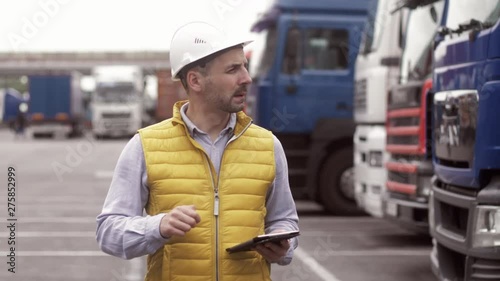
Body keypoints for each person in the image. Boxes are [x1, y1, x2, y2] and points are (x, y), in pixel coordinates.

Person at [96, 21, 299, 281]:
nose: (246, 78)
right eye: (233, 69)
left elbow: (286, 221)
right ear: (195, 80)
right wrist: (157, 227)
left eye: (244, 67)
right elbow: (109, 232)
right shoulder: (145, 146)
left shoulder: (268, 145)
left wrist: (283, 247)